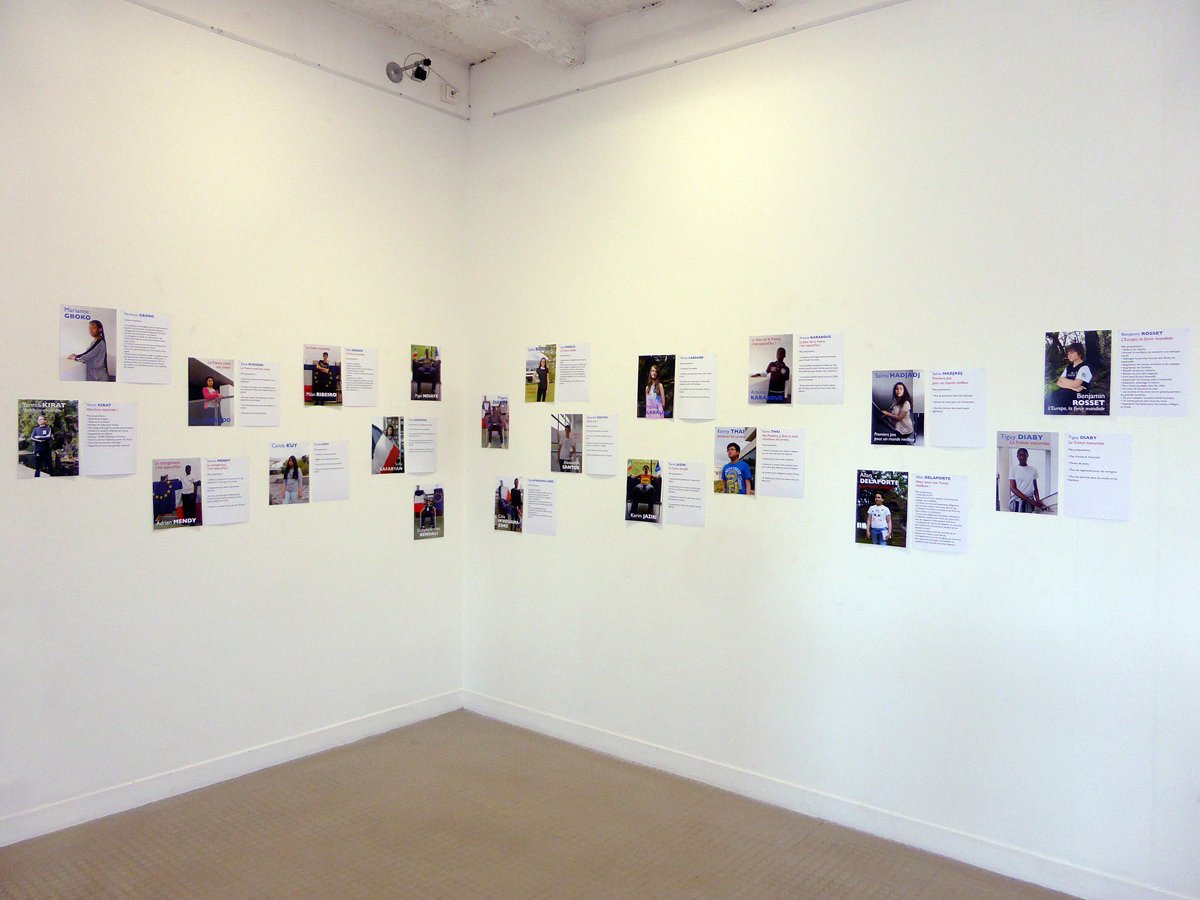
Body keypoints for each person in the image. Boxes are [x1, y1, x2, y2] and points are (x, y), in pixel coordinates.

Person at [1046, 342, 1092, 413]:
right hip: (1066, 392)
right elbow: (1059, 382)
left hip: (1078, 396)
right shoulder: (1069, 367)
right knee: (1049, 397)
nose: (1069, 356)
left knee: (1058, 403)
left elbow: (1076, 384)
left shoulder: (1084, 367)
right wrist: (1072, 387)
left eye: (1072, 353)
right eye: (1068, 354)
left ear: (1080, 354)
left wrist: (1065, 381)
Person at [1008, 448, 1045, 512]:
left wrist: (1037, 500)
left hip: (1030, 502)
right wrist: (1029, 500)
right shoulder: (1013, 469)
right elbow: (1013, 488)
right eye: (1020, 455)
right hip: (1017, 501)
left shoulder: (1033, 470)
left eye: (1024, 455)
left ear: (1027, 455)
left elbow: (1035, 488)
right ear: (1017, 456)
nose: (1022, 457)